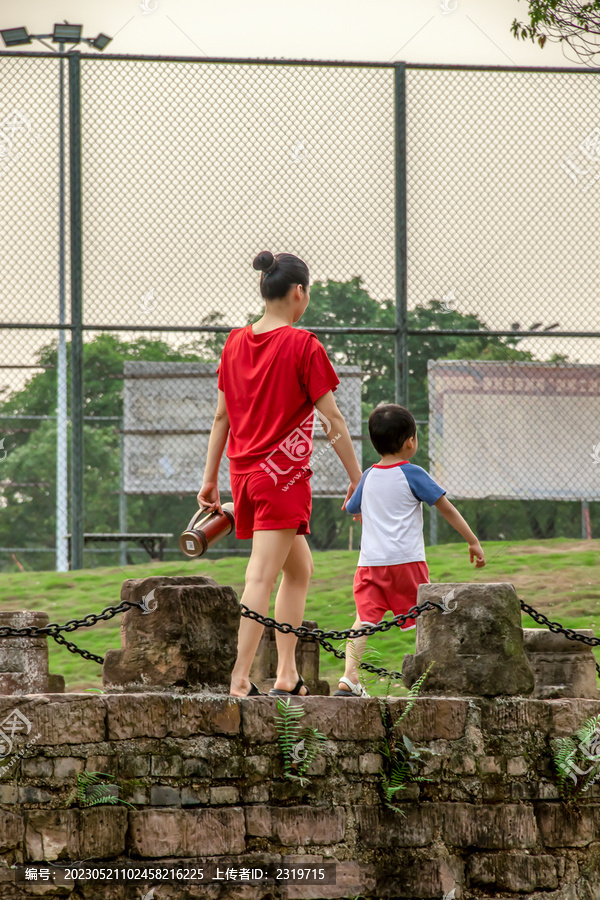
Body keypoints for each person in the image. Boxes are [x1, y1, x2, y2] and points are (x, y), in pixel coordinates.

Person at [197, 250, 363, 698]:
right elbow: (333, 421)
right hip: (282, 480)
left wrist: (210, 479)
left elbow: (220, 419)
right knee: (261, 575)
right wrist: (357, 477)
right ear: (299, 292)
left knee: (300, 569)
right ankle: (240, 678)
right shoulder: (303, 345)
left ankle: (287, 673)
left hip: (246, 477)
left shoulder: (234, 343)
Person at [335, 402, 486, 697]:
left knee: (363, 620)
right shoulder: (413, 473)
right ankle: (436, 679)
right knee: (425, 619)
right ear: (410, 441)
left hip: (370, 565)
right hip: (407, 562)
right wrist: (472, 540)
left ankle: (348, 678)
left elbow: (351, 507)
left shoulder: (368, 476)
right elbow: (446, 508)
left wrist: (361, 502)